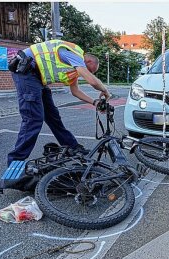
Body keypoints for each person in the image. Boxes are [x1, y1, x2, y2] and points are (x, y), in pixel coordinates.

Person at [7, 39, 111, 168]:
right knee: (33, 119)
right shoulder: (74, 55)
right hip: (26, 71)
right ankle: (15, 162)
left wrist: (95, 102)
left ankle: (72, 147)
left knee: (53, 116)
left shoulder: (74, 68)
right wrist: (105, 90)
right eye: (90, 70)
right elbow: (93, 81)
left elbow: (76, 91)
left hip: (37, 78)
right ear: (88, 61)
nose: (88, 73)